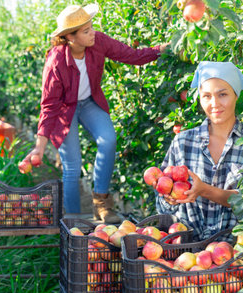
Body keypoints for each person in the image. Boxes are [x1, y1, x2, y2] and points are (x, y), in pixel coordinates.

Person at [22, 4, 169, 223]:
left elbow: (131, 55)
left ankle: (101, 203)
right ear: (70, 37)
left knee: (108, 139)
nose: (93, 33)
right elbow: (49, 105)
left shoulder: (98, 41)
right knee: (72, 166)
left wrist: (161, 50)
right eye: (85, 31)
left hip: (90, 101)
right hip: (64, 110)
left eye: (91, 27)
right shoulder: (56, 61)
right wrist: (39, 147)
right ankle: (73, 222)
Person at [156, 61, 243, 241]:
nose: (214, 103)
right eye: (207, 96)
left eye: (222, 94)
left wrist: (204, 190)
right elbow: (162, 207)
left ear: (236, 95)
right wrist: (169, 199)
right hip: (187, 254)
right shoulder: (183, 142)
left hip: (238, 256)